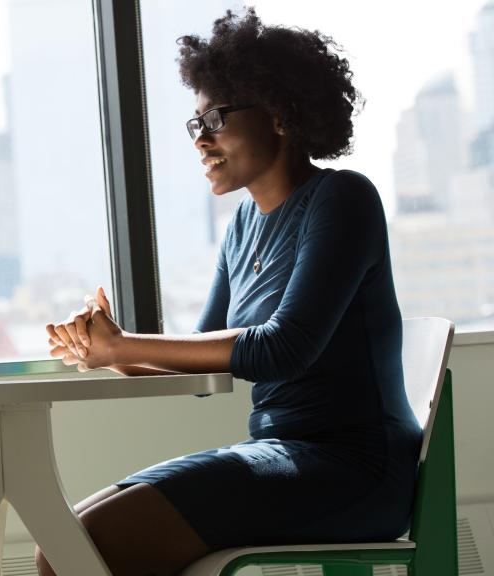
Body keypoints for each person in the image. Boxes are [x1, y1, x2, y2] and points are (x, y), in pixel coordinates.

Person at [40, 9, 421, 576]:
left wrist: (127, 347)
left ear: (280, 115)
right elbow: (204, 371)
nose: (201, 140)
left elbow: (282, 349)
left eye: (214, 119)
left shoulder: (343, 199)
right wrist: (107, 353)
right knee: (61, 549)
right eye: (194, 125)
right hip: (281, 455)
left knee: (92, 551)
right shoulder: (242, 226)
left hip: (354, 468)